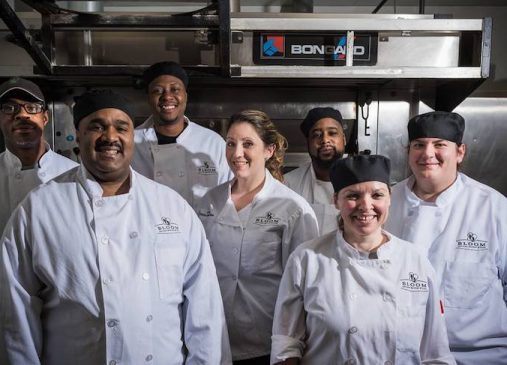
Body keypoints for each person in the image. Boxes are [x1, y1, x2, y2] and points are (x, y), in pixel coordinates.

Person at [0, 89, 231, 365]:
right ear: (79, 133)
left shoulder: (172, 207)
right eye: (96, 126)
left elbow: (204, 309)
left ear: (132, 136)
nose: (110, 137)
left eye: (121, 127)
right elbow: (16, 316)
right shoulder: (38, 209)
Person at [271, 154, 456, 365]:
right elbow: (286, 345)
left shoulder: (415, 261)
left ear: (389, 198)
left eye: (377, 195)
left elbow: (436, 353)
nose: (365, 206)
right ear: (336, 200)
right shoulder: (306, 260)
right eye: (353, 196)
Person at [197, 110, 319, 364]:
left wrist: (290, 351)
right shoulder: (209, 202)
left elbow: (305, 288)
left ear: (269, 150)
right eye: (231, 144)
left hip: (265, 345)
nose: (236, 153)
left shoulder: (292, 208)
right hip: (212, 339)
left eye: (248, 144)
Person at [386, 111, 507, 365]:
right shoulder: (384, 204)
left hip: (476, 357)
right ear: (409, 152)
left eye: (440, 144)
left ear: (460, 152)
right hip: (399, 355)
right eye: (419, 145)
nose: (428, 153)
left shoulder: (493, 208)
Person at [132, 61, 232, 208]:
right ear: (148, 98)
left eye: (175, 89)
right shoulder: (131, 143)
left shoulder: (212, 142)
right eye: (158, 91)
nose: (167, 96)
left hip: (204, 229)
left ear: (185, 96)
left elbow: (231, 195)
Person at [0, 77, 78, 232]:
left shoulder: (74, 174)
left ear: (45, 118)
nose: (22, 115)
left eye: (33, 107)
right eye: (9, 108)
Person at [284, 107, 346, 235]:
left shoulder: (361, 183)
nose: (325, 140)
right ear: (308, 143)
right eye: (317, 135)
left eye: (332, 133)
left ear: (344, 139)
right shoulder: (288, 185)